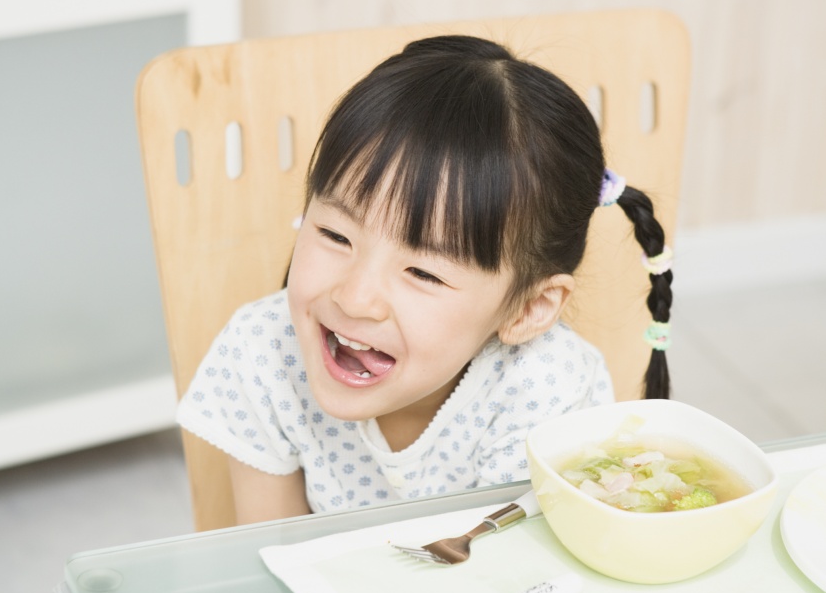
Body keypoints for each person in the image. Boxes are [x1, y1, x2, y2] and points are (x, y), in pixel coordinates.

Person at [177, 35, 674, 524]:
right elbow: (273, 557)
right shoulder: (263, 351)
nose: (355, 298)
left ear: (527, 309)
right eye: (334, 233)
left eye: (422, 271)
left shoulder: (545, 389)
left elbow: (511, 582)